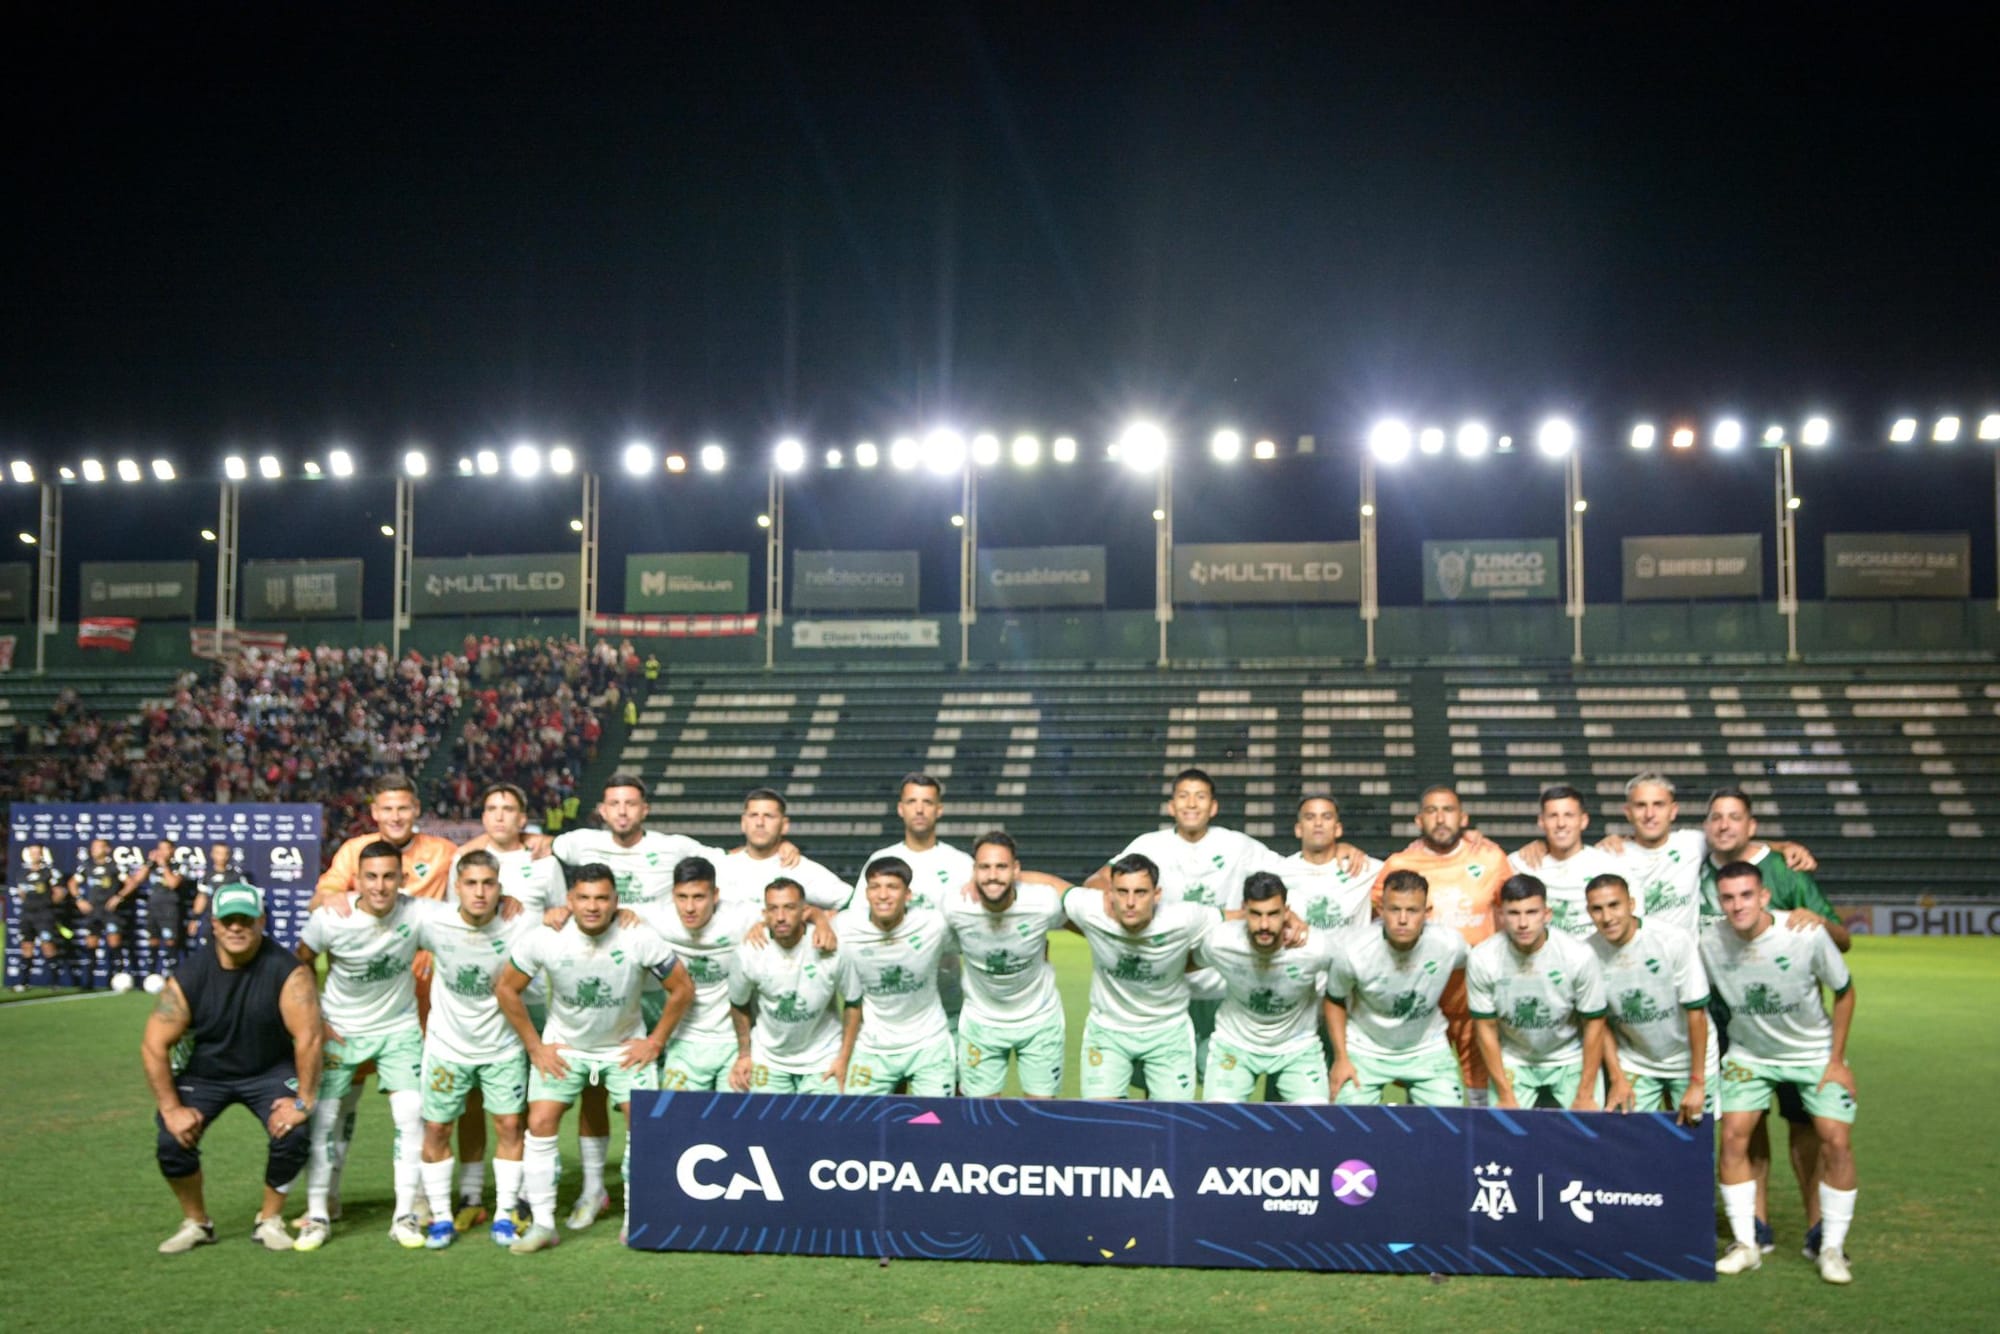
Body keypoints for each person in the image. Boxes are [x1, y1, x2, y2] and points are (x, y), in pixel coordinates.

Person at [537, 774, 732, 1227]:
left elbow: (727, 862)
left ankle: (657, 1187)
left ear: (645, 810)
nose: (622, 811)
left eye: (631, 804)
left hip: (658, 989)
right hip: (609, 982)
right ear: (601, 811)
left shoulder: (673, 846)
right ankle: (592, 1190)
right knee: (590, 1089)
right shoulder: (578, 843)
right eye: (613, 804)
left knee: (648, 1103)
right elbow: (538, 850)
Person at [494, 863, 693, 1253]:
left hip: (623, 1049)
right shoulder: (546, 937)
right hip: (565, 1047)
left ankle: (637, 1219)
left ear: (616, 901)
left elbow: (683, 988)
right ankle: (544, 1224)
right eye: (583, 897)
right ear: (569, 900)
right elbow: (506, 989)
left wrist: (654, 1042)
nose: (592, 906)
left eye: (602, 898)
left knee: (644, 1126)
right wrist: (536, 1047)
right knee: (540, 1120)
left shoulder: (638, 936)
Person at [308, 774, 462, 1220]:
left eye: (404, 809)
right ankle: (328, 1195)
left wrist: (535, 842)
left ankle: (418, 1199)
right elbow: (323, 897)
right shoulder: (355, 852)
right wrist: (329, 897)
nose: (396, 817)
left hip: (420, 1006)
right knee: (341, 1105)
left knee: (422, 1108)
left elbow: (464, 907)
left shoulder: (442, 853)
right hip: (355, 1010)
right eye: (387, 809)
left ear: (417, 810)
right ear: (374, 812)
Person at [1701, 785, 1847, 1254]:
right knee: (1745, 1127)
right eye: (1716, 818)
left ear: (1752, 825)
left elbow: (1841, 939)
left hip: (1790, 1029)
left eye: (1734, 818)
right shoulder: (1695, 867)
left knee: (1806, 1129)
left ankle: (1817, 1228)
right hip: (1727, 1027)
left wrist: (1816, 921)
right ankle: (1756, 1230)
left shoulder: (1785, 871)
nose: (1724, 826)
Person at [144, 881, 322, 1254]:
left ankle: (269, 1219)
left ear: (261, 921)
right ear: (214, 924)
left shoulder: (289, 972)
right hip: (204, 1074)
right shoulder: (190, 976)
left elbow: (308, 1038)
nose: (237, 927)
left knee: (293, 1133)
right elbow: (154, 1044)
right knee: (170, 1140)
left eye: (246, 919)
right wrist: (171, 1108)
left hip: (269, 1069)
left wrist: (303, 1102)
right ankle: (197, 1223)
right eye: (229, 920)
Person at [292, 843, 430, 1250]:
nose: (380, 885)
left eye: (389, 876)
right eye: (371, 876)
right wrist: (315, 1018)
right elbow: (300, 963)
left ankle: (404, 1215)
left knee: (411, 1115)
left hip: (399, 1028)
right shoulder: (329, 919)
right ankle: (317, 1213)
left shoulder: (419, 912)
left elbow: (471, 920)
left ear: (402, 879)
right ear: (358, 880)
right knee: (327, 1118)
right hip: (341, 1030)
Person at [411, 851, 536, 1249]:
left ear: (500, 887)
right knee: (435, 1128)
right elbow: (385, 909)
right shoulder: (433, 921)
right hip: (447, 1045)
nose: (480, 892)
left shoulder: (520, 921)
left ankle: (503, 1214)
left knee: (511, 1127)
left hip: (502, 1045)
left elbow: (565, 918)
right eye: (471, 884)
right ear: (456, 887)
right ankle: (442, 1218)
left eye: (488, 884)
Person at [1370, 785, 1510, 1102]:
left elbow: (1509, 914)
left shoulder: (1490, 857)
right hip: (1420, 995)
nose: (1440, 818)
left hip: (1472, 994)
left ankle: (1478, 1144)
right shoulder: (1398, 864)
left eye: (1448, 810)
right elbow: (1377, 922)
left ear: (1463, 817)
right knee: (1421, 1083)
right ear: (1419, 820)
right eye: (1431, 811)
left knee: (1479, 1083)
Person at [1064, 853, 1219, 1101]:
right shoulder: (1091, 909)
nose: (1130, 902)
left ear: (1156, 895)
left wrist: (1289, 920)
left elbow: (1236, 918)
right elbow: (1051, 888)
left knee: (1172, 1126)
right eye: (1122, 892)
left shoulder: (1184, 918)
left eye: (1141, 892)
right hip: (1108, 1031)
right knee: (1103, 1121)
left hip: (1168, 1032)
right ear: (1109, 893)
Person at [940, 832, 1068, 1098]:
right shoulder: (955, 906)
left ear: (1016, 869)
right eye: (984, 867)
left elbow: (1079, 909)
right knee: (982, 1117)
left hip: (1040, 1020)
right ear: (974, 871)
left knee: (1041, 1114)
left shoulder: (1044, 903)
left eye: (1001, 867)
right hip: (981, 1022)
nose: (993, 875)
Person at [1326, 870, 1469, 1107]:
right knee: (1348, 1128)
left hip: (1427, 1048)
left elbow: (1471, 972)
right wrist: (1341, 1058)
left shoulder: (1451, 945)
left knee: (1448, 1128)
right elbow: (1334, 1000)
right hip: (1365, 1050)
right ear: (1380, 910)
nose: (1403, 919)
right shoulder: (1353, 951)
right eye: (1394, 909)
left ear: (1427, 912)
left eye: (1412, 910)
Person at [1468, 874, 1608, 1111]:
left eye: (1532, 912)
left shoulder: (1577, 955)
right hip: (1514, 1058)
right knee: (1504, 1137)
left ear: (1547, 914)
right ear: (1501, 916)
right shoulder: (1483, 958)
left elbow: (1594, 1024)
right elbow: (1486, 1030)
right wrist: (1504, 1094)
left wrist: (1585, 1093)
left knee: (1588, 1135)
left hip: (1569, 1056)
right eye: (1513, 913)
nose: (1523, 923)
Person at [1195, 871, 1337, 1103]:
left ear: (1287, 912)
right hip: (1235, 1044)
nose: (1264, 925)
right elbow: (1187, 963)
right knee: (1218, 1124)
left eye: (1273, 914)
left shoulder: (1315, 947)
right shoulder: (1219, 942)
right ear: (1244, 911)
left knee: (1316, 1125)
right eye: (1256, 914)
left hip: (1297, 1047)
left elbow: (1348, 977)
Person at [1584, 872, 1714, 1125]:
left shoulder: (1673, 940)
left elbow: (1696, 1014)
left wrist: (1697, 1082)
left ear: (1631, 904)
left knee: (1693, 1143)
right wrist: (1618, 1077)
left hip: (1688, 1059)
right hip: (1636, 1061)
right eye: (1597, 909)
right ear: (1589, 913)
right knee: (1630, 1142)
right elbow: (1598, 1022)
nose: (1607, 917)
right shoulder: (1586, 953)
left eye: (1614, 905)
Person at [630, 858, 757, 1094]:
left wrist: (818, 919)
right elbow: (605, 914)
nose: (689, 908)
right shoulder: (657, 917)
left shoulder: (741, 917)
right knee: (676, 1123)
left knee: (732, 1127)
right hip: (683, 1042)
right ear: (672, 895)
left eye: (698, 897)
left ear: (715, 895)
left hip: (732, 1043)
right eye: (682, 897)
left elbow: (792, 911)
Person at [831, 857, 955, 1097]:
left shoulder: (933, 924)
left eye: (892, 887)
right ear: (866, 893)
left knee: (932, 1122)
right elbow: (800, 923)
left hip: (927, 1043)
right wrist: (816, 918)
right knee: (859, 1124)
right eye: (875, 887)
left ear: (908, 895)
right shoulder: (844, 927)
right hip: (873, 1046)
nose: (883, 895)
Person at [728, 878, 845, 1094]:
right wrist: (745, 1055)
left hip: (823, 1057)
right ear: (764, 914)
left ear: (804, 911)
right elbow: (738, 1004)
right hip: (769, 1058)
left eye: (789, 908)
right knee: (765, 1126)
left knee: (824, 1126)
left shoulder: (829, 942)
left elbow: (854, 1003)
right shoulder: (749, 951)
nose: (781, 917)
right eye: (773, 909)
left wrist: (844, 1058)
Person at [1507, 784, 1619, 940]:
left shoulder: (1608, 864)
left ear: (1584, 821)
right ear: (1541, 821)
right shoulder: (1519, 864)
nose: (1561, 823)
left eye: (1569, 815)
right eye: (1553, 816)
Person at [715, 789, 852, 911]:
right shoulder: (721, 865)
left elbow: (852, 902)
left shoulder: (800, 869)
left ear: (784, 825)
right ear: (743, 823)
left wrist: (821, 920)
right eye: (753, 815)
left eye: (769, 816)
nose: (760, 823)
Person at [1279, 794, 1381, 932]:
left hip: (1352, 953)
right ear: (1298, 830)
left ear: (1338, 829)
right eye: (1310, 817)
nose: (1318, 823)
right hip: (1299, 953)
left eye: (1326, 817)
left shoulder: (1364, 867)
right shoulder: (1280, 871)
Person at [71, 837, 130, 987]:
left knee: (114, 942)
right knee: (91, 944)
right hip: (93, 911)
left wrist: (118, 897)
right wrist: (79, 899)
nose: (94, 850)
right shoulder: (87, 866)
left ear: (107, 849)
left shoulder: (114, 866)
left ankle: (118, 978)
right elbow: (72, 883)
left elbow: (131, 882)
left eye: (97, 847)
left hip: (109, 912)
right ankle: (89, 981)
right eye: (93, 847)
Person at [125, 839, 190, 974]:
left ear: (172, 850)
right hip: (153, 908)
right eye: (159, 849)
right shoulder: (152, 866)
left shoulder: (178, 866)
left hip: (169, 910)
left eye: (165, 849)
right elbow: (137, 880)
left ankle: (172, 975)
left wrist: (164, 865)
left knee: (170, 942)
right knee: (153, 940)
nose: (161, 852)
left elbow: (173, 883)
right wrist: (149, 863)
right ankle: (151, 974)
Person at [12, 844, 66, 989]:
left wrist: (46, 905)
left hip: (44, 915)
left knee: (47, 946)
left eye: (37, 853)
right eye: (32, 853)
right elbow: (22, 893)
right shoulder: (23, 873)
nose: (34, 855)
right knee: (26, 946)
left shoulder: (49, 872)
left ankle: (54, 982)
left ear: (42, 855)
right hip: (27, 914)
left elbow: (60, 892)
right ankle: (24, 982)